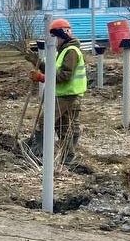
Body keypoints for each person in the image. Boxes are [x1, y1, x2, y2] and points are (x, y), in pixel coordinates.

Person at [23, 17, 86, 165]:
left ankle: (38, 153)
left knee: (46, 121)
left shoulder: (71, 51)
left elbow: (64, 75)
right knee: (64, 126)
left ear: (62, 35)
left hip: (67, 94)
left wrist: (42, 77)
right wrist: (36, 61)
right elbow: (55, 70)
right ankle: (68, 158)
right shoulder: (64, 51)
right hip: (65, 94)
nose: (53, 40)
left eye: (54, 37)